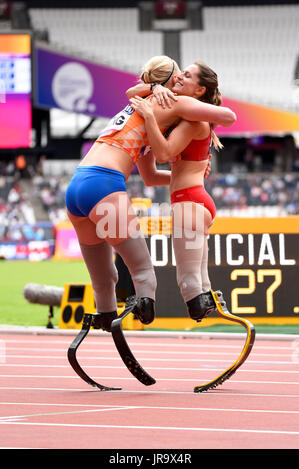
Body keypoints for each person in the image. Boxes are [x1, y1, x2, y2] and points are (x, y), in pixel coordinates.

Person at [65, 55, 236, 331]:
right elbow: (226, 117)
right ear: (167, 81)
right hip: (104, 184)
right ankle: (143, 312)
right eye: (179, 74)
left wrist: (179, 172)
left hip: (77, 186)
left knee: (104, 277)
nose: (180, 78)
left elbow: (149, 174)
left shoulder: (141, 103)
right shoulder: (176, 103)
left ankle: (106, 317)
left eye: (186, 76)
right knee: (143, 273)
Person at [129, 59, 228, 322]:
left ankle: (224, 332)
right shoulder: (190, 118)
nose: (180, 77)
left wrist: (149, 118)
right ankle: (220, 328)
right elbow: (151, 177)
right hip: (196, 201)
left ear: (200, 91)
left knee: (189, 283)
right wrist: (155, 88)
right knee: (201, 282)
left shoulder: (194, 122)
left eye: (187, 75)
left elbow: (163, 152)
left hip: (189, 204)